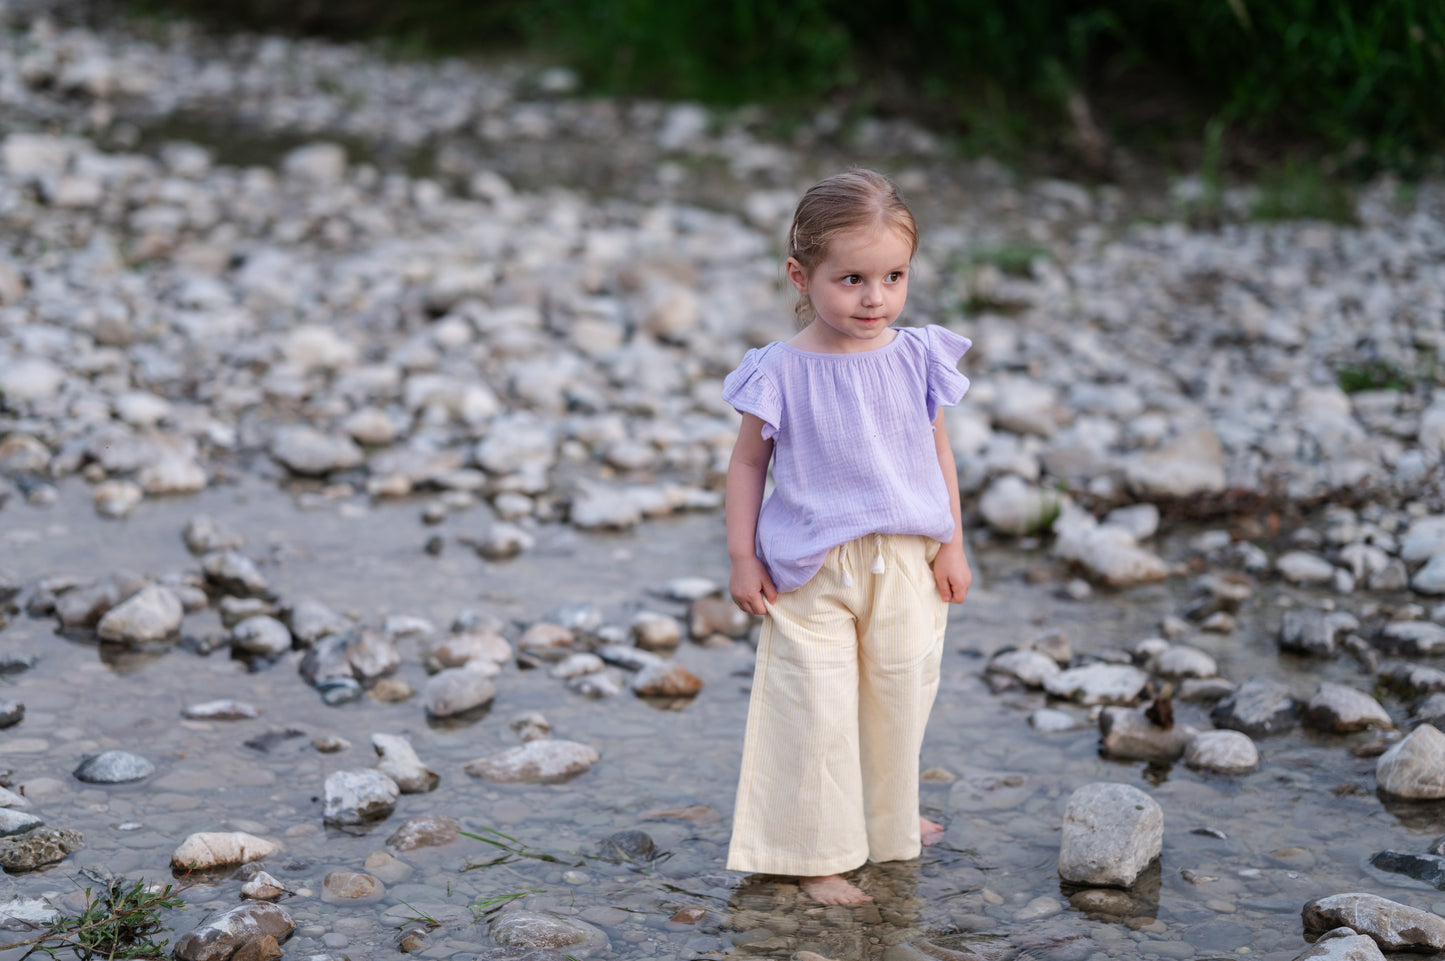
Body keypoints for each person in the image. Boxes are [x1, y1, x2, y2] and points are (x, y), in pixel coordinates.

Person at [722, 168, 973, 906]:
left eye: (894, 277)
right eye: (852, 279)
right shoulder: (779, 370)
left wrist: (953, 543)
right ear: (801, 276)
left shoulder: (915, 355)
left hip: (907, 559)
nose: (875, 298)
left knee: (899, 697)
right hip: (810, 568)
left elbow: (937, 451)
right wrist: (742, 556)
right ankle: (813, 851)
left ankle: (884, 818)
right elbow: (747, 464)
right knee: (813, 709)